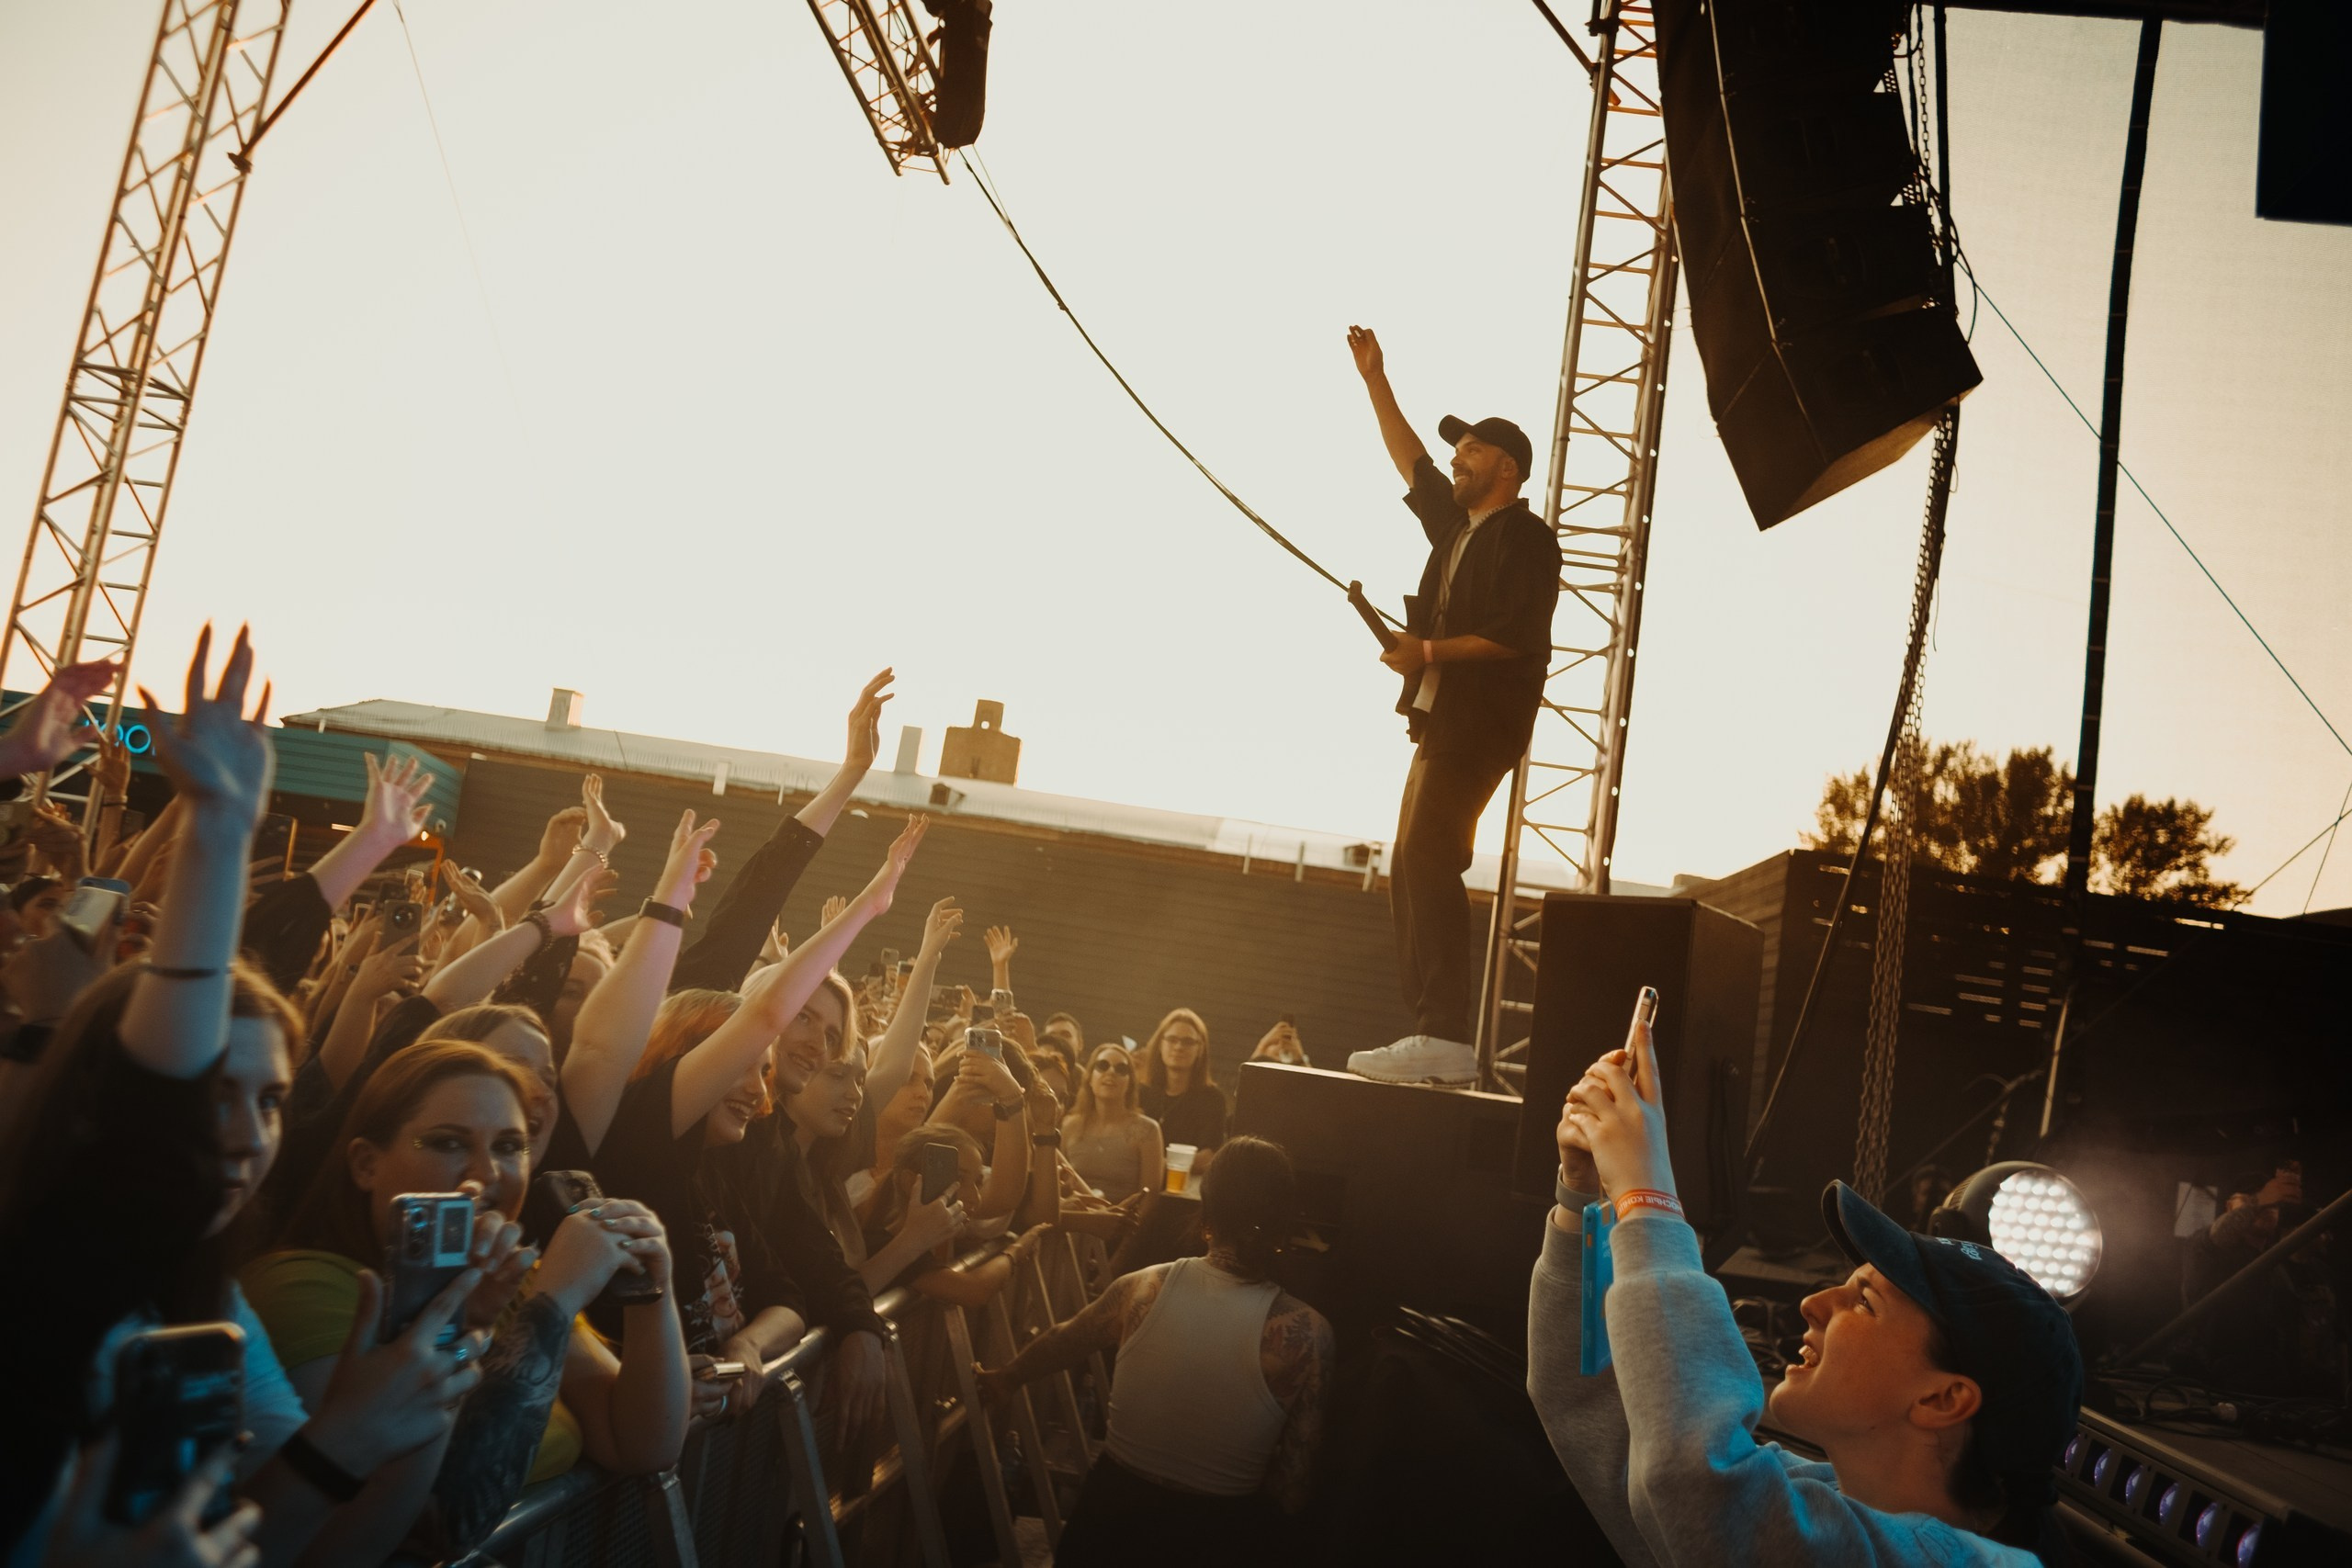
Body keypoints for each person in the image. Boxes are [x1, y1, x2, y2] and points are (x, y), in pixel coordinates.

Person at [1529, 1009, 2084, 1567]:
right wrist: (1587, 1201)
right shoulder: (1842, 1506)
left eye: (1865, 1302)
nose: (1814, 1304)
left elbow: (1699, 1480)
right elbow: (1616, 1429)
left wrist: (1649, 1201)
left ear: (1943, 1399)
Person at [249, 1041, 689, 1560]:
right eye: (448, 1143)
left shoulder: (511, 1283)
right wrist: (555, 1300)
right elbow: (437, 1521)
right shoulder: (307, 1287)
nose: (486, 1174)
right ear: (367, 1164)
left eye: (509, 1146)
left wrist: (651, 1294)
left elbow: (642, 1442)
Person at [1342, 325, 1561, 1088]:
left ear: (1506, 468)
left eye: (1470, 450)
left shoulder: (1526, 537)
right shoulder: (1455, 528)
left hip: (1482, 722)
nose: (1456, 459)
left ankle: (1443, 1034)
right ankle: (1431, 1035)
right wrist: (1376, 378)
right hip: (1442, 722)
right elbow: (1411, 459)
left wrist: (1426, 651)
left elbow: (1517, 636)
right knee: (1411, 858)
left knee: (1429, 852)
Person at [975, 1135, 1334, 1565]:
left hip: (1110, 1520)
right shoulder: (1308, 1334)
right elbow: (1293, 1489)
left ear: (1207, 1207)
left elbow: (1065, 1339)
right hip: (1215, 1535)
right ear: (1283, 1220)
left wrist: (1006, 1378)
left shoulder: (1142, 1288)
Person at [1063, 1041, 1163, 1202]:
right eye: (1102, 1065)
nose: (1111, 1072)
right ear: (1089, 1078)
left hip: (1124, 1222)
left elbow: (1149, 1197)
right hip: (1075, 1219)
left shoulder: (1148, 1130)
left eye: (1121, 1069)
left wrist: (1122, 1226)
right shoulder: (1069, 1126)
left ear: (1130, 1083)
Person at [1136, 1008, 1227, 1158]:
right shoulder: (1141, 1092)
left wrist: (1161, 1165)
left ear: (1200, 1049)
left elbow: (1209, 1155)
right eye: (1172, 1040)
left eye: (1188, 1042)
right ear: (1160, 1045)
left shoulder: (1212, 1099)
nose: (1178, 1047)